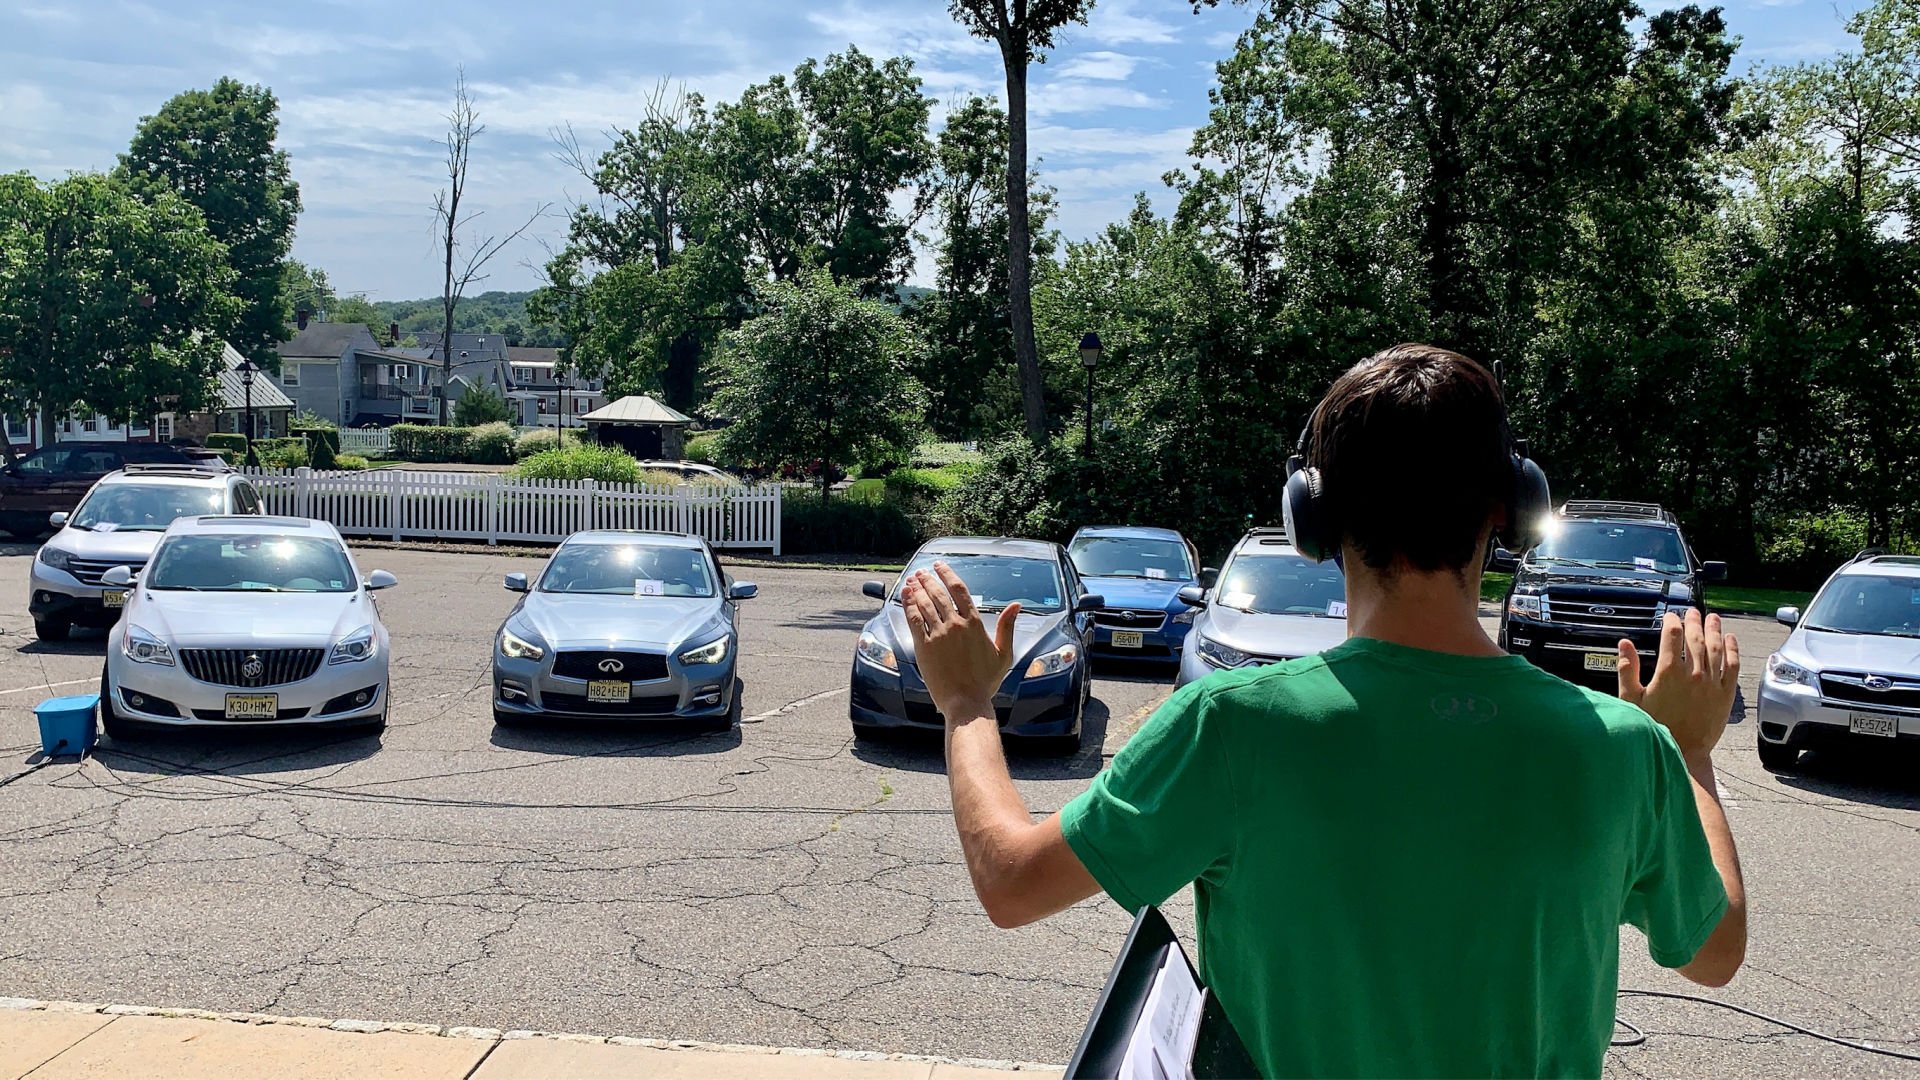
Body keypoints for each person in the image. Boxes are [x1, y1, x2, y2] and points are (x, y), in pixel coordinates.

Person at [900, 344, 1745, 1078]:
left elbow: (1011, 883)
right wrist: (1691, 753)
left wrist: (967, 702)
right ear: (1512, 509)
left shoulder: (1230, 726)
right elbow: (1716, 950)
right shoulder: (1624, 748)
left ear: (1313, 517)